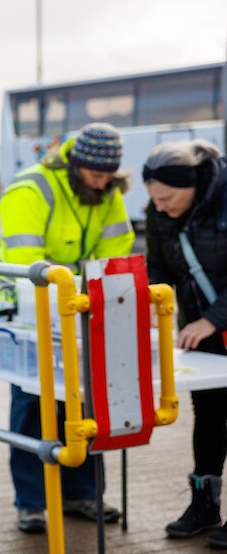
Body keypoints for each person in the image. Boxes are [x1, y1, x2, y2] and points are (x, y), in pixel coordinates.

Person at [0, 122, 133, 533]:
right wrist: (78, 290)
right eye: (96, 174)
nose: (104, 182)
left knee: (87, 405)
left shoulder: (107, 191)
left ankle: (83, 494)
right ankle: (32, 503)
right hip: (32, 310)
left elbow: (117, 248)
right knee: (33, 407)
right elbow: (28, 262)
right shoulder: (30, 189)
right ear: (76, 165)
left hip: (83, 310)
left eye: (109, 175)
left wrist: (99, 296)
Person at [142, 139, 227, 547]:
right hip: (199, 331)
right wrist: (150, 316)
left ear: (192, 183)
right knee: (208, 414)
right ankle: (204, 504)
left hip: (210, 323)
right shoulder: (161, 213)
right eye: (154, 199)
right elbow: (157, 270)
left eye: (167, 198)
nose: (160, 207)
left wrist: (211, 319)